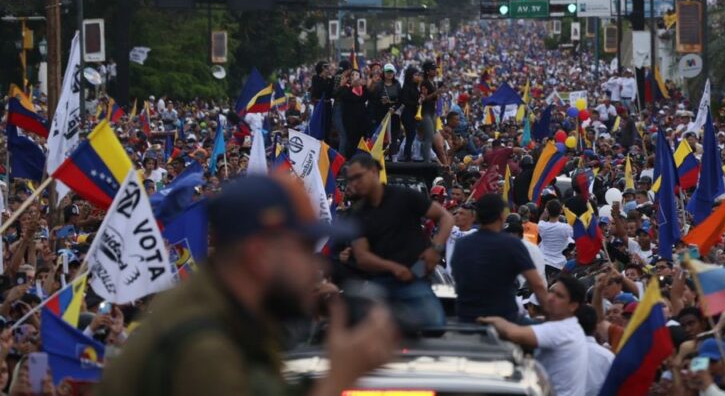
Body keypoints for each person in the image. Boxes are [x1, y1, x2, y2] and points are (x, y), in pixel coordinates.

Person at [98, 174, 397, 396]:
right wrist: (337, 379)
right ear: (258, 255)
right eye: (304, 248)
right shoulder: (203, 348)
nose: (316, 265)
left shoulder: (226, 318)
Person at [344, 152, 454, 329]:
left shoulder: (404, 197)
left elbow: (446, 218)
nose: (354, 183)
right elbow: (362, 257)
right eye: (350, 179)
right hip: (378, 285)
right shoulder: (357, 214)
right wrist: (393, 268)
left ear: (373, 171)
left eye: (358, 177)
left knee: (435, 327)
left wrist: (435, 248)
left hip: (414, 280)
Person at [479, 276, 589, 396]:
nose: (551, 298)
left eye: (559, 296)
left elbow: (511, 332)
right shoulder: (569, 326)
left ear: (573, 306)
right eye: (551, 292)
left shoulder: (562, 330)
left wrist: (483, 318)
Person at [449, 194, 547, 323]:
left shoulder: (462, 244)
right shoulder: (513, 244)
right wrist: (554, 318)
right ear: (501, 216)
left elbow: (457, 277)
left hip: (466, 317)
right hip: (505, 318)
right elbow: (538, 284)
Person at [537, 198, 574, 275]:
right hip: (559, 265)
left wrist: (545, 212)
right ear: (561, 211)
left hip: (543, 262)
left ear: (547, 211)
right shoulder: (566, 227)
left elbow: (541, 219)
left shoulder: (542, 226)